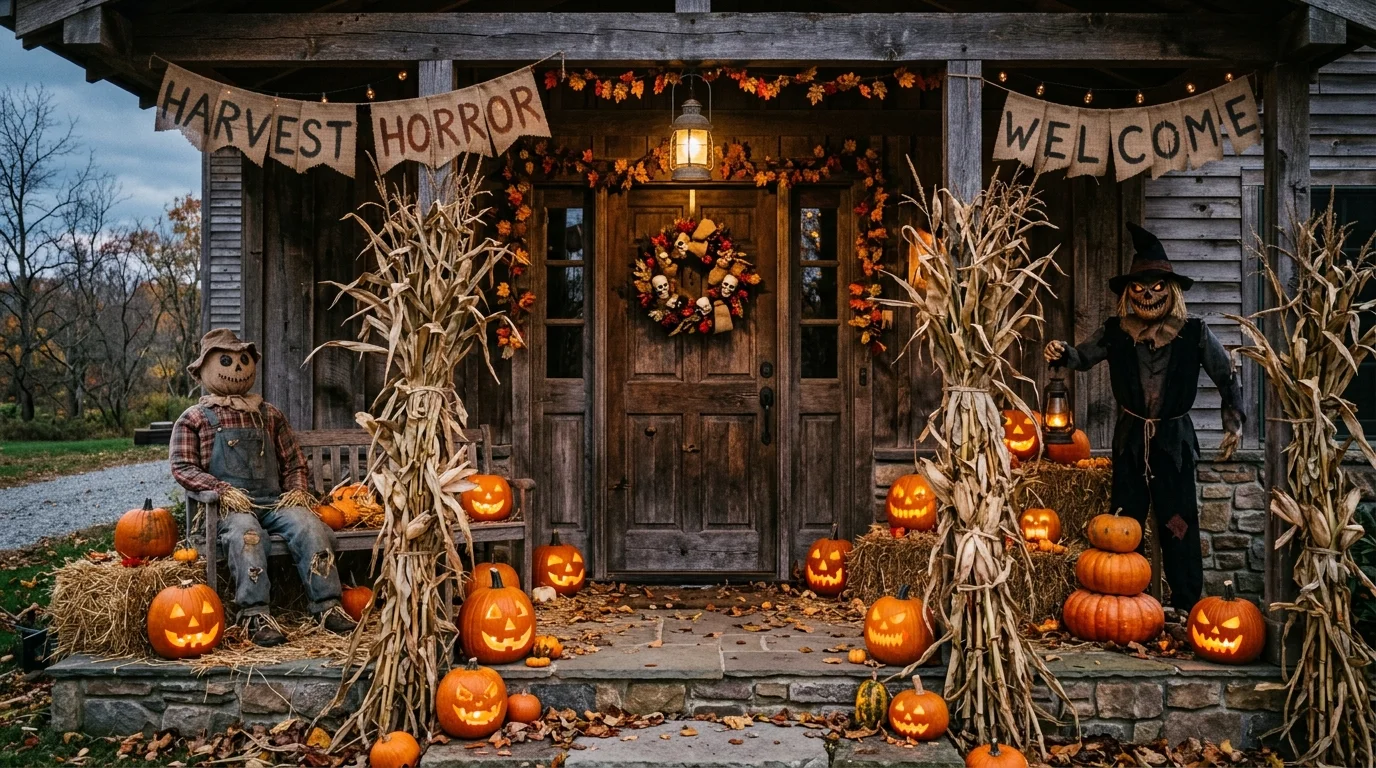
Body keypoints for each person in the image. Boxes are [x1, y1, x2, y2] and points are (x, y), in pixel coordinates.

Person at [1043, 224, 1243, 610]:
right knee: (1125, 519)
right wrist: (1062, 351)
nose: (1147, 294)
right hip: (1131, 440)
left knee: (1178, 522)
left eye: (1156, 286)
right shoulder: (1116, 332)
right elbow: (1081, 357)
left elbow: (1226, 375)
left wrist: (1232, 425)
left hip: (1174, 442)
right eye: (1138, 287)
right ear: (1128, 293)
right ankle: (1126, 603)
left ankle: (1185, 602)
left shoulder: (1194, 333)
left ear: (1172, 290)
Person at [170, 328, 355, 646]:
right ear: (203, 369)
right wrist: (221, 490)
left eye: (243, 360)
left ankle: (327, 606)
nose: (237, 367)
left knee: (310, 527)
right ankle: (255, 615)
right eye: (226, 361)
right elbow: (183, 467)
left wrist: (297, 490)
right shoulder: (196, 418)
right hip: (229, 507)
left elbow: (294, 462)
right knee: (248, 536)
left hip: (274, 502)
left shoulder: (268, 414)